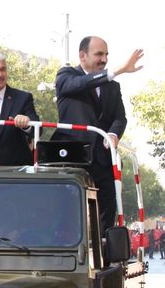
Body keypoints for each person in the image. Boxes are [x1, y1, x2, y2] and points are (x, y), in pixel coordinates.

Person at [53, 36, 143, 232]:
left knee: (106, 209)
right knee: (66, 209)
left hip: (102, 158)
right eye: (99, 54)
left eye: (106, 55)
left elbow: (120, 118)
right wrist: (118, 70)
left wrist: (113, 134)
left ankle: (103, 255)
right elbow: (81, 84)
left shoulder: (112, 86)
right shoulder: (66, 75)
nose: (104, 59)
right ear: (82, 56)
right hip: (70, 157)